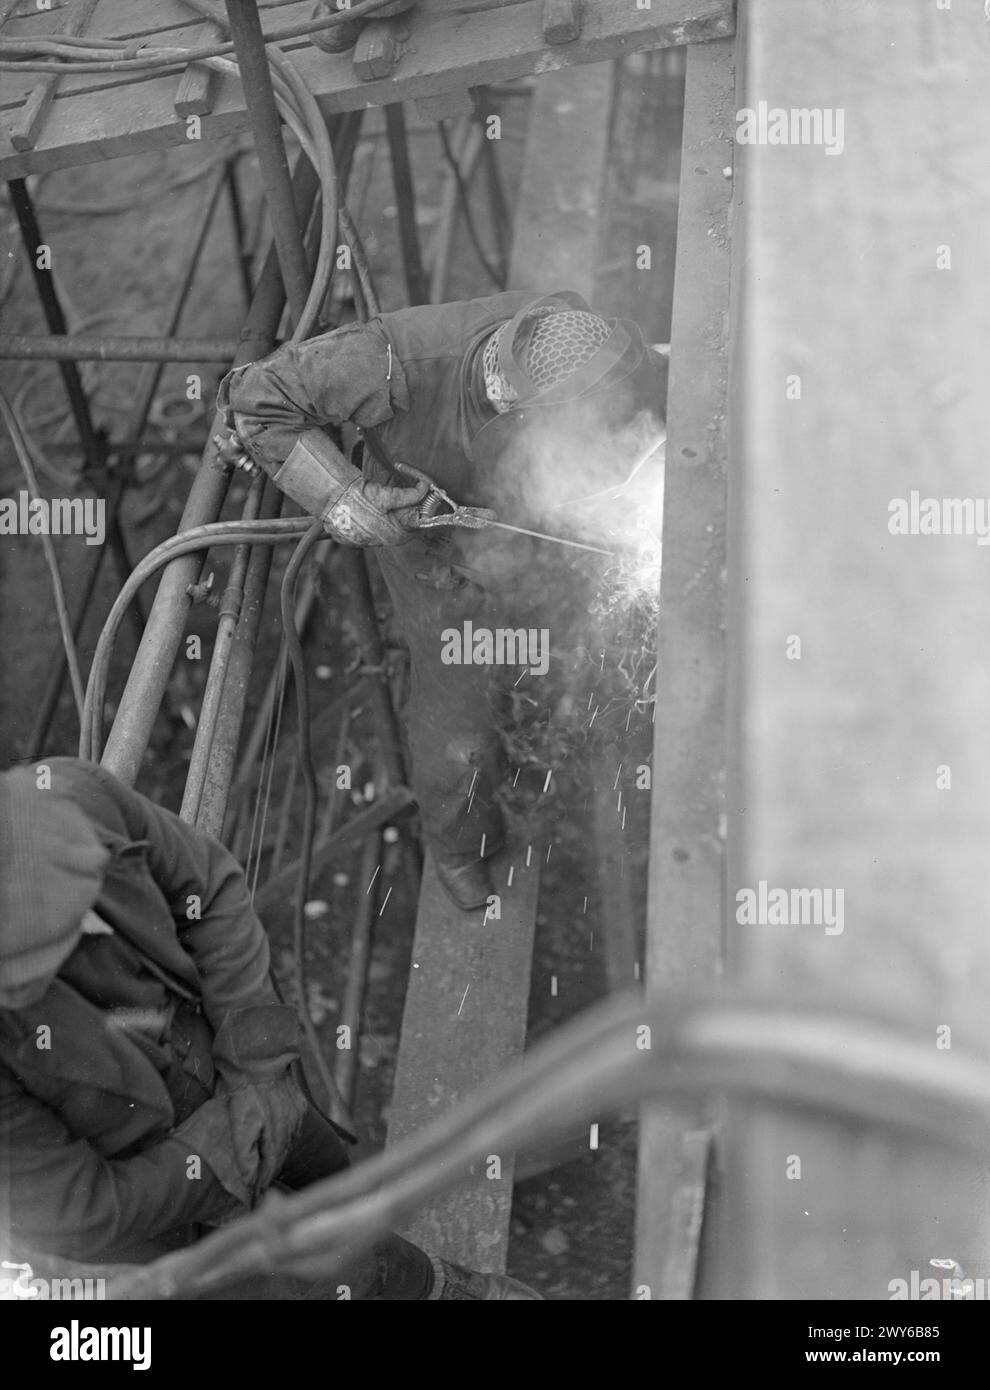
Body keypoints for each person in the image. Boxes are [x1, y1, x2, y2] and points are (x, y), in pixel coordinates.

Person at [0, 757, 541, 1300]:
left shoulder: (71, 799)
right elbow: (79, 1210)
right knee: (327, 1277)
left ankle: (430, 1285)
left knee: (334, 1184)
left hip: (235, 1076)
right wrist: (217, 1157)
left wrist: (256, 1071)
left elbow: (210, 889)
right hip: (159, 1207)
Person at [217, 290, 667, 909]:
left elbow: (650, 392)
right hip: (436, 561)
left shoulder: (584, 344)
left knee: (573, 646)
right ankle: (459, 846)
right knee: (463, 737)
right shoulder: (390, 362)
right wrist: (352, 502)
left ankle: (534, 694)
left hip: (526, 538)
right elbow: (254, 400)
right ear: (517, 406)